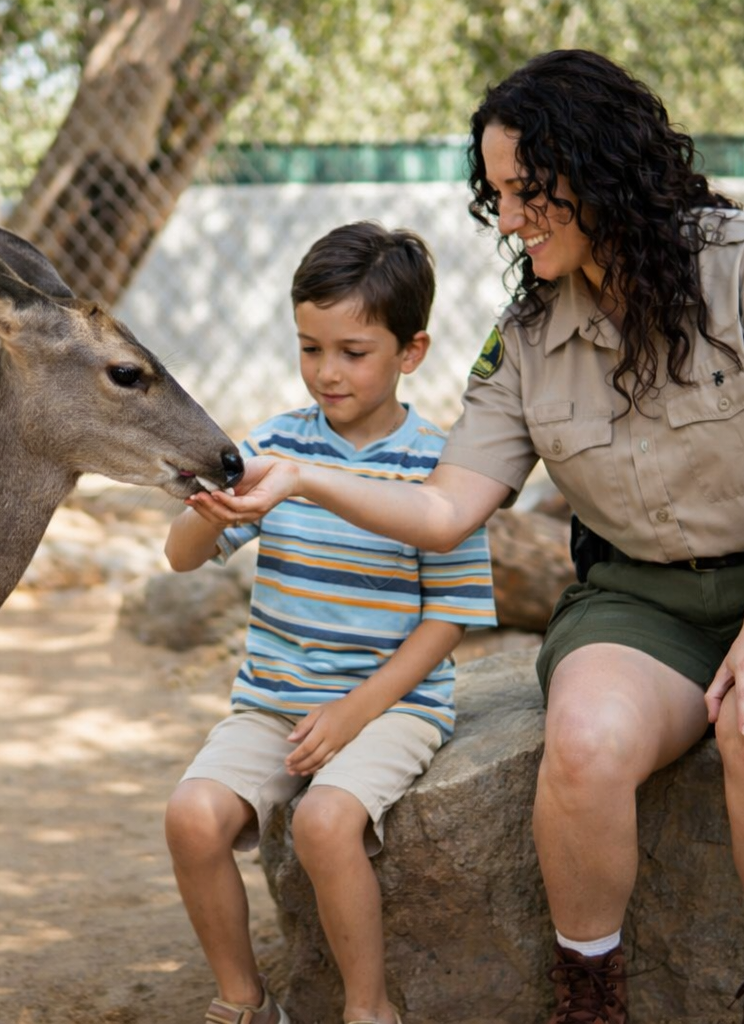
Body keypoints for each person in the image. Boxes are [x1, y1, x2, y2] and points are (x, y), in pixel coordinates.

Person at [198, 49, 744, 1024]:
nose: (505, 220)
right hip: (640, 601)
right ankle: (590, 998)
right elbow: (447, 509)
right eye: (496, 194)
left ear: (604, 169)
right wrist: (303, 477)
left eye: (528, 191)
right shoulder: (530, 335)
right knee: (580, 742)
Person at [164, 221, 497, 1024]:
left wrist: (355, 713)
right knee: (192, 816)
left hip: (389, 708)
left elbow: (450, 617)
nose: (327, 371)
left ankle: (367, 1007)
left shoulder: (438, 467)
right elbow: (181, 558)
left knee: (322, 821)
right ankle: (245, 1001)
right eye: (310, 348)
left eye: (353, 351)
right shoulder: (273, 444)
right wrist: (211, 512)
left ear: (409, 352)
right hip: (275, 700)